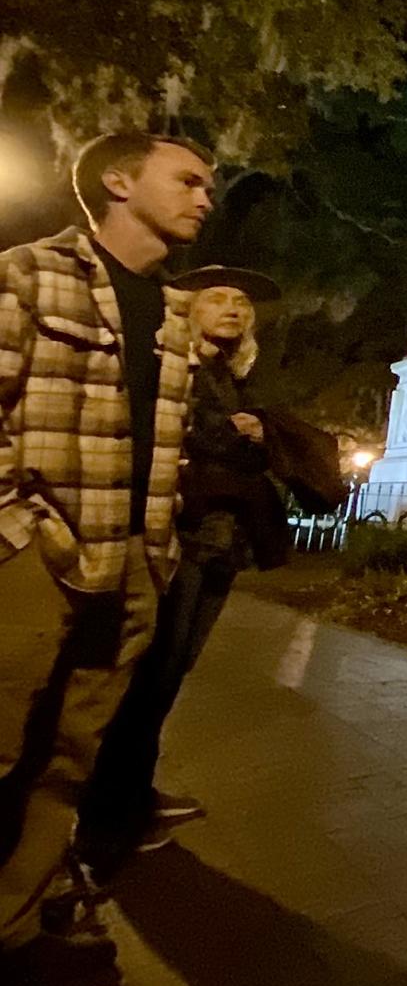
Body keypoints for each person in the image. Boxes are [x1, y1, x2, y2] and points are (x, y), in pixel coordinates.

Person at [0, 132, 215, 974]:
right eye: (189, 180)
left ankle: (13, 924)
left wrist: (153, 557)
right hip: (35, 549)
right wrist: (14, 529)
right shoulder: (29, 273)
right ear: (119, 181)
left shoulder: (171, 313)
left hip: (132, 560)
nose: (205, 197)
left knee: (71, 756)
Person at [76, 266, 290, 871]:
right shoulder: (180, 368)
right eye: (217, 299)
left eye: (241, 303)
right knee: (147, 675)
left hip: (221, 542)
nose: (232, 309)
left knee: (171, 675)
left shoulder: (233, 375)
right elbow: (176, 434)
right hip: (180, 538)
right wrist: (249, 432)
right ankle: (105, 823)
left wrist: (261, 428)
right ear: (189, 311)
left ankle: (132, 793)